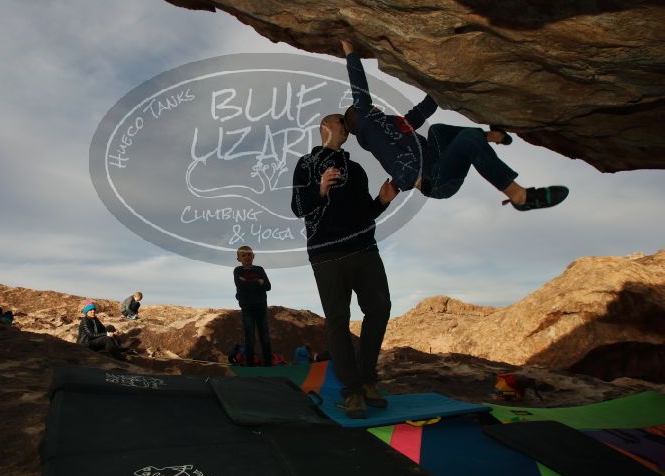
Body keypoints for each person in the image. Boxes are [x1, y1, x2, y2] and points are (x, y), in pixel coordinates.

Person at [340, 40, 568, 211]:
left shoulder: (390, 126)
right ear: (362, 116)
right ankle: (519, 196)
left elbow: (419, 114)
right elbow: (360, 93)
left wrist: (438, 91)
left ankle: (490, 137)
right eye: (371, 109)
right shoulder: (370, 129)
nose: (378, 108)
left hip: (436, 162)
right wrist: (350, 53)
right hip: (436, 181)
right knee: (467, 140)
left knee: (436, 131)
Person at [291, 108, 395, 419]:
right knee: (338, 318)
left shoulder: (358, 169)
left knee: (380, 308)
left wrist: (382, 201)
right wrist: (320, 188)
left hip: (365, 249)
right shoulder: (306, 164)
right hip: (327, 254)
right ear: (325, 127)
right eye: (340, 122)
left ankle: (366, 379)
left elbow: (366, 212)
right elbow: (297, 207)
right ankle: (352, 390)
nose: (346, 127)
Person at [233, 245, 273, 367]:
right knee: (249, 338)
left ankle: (268, 365)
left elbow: (268, 286)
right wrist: (258, 282)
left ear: (253, 256)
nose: (247, 257)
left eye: (249, 254)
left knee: (265, 338)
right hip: (247, 308)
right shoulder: (237, 270)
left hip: (261, 307)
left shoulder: (259, 269)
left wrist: (247, 283)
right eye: (243, 255)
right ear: (238, 259)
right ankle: (250, 365)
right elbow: (240, 285)